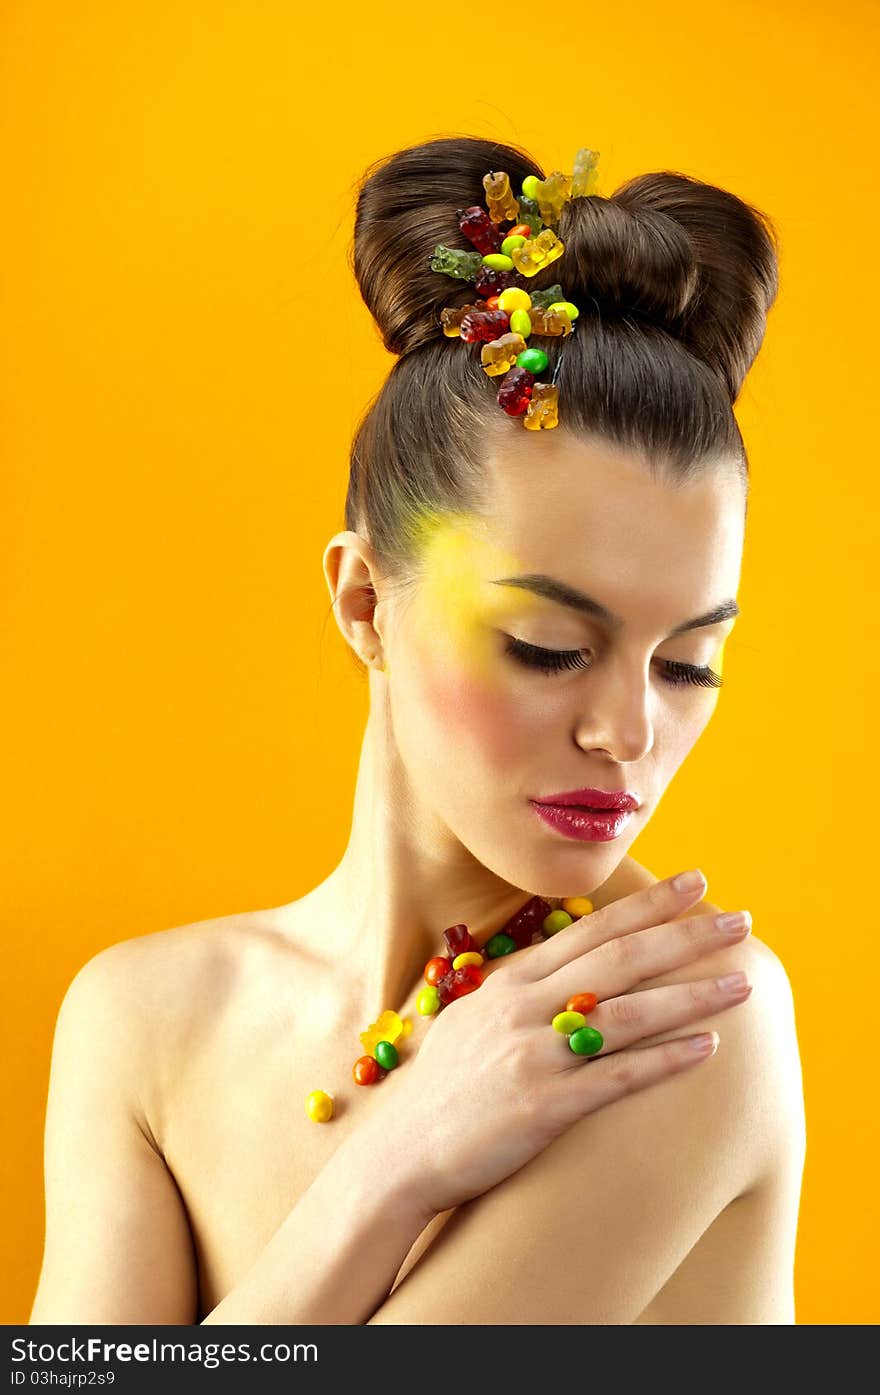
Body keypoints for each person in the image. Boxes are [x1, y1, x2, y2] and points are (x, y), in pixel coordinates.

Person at [28, 135, 805, 1326]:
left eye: (689, 661)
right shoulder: (143, 1017)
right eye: (550, 648)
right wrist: (394, 1171)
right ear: (361, 603)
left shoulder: (675, 1026)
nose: (629, 731)